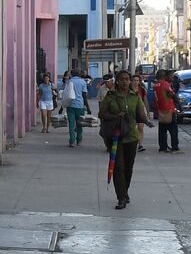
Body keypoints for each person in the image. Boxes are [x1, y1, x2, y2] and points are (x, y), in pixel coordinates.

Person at [99, 69, 151, 210]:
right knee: (118, 167)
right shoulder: (111, 96)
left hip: (131, 137)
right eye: (122, 79)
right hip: (115, 137)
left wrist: (147, 121)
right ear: (117, 81)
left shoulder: (135, 96)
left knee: (128, 167)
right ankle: (121, 197)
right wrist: (116, 116)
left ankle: (125, 191)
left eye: (127, 79)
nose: (125, 82)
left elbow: (140, 114)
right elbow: (102, 114)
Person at [153, 70, 181, 153]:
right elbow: (172, 94)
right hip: (169, 109)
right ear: (164, 76)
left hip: (161, 110)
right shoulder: (165, 84)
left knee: (162, 130)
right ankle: (175, 147)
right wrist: (178, 105)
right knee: (173, 130)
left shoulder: (155, 85)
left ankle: (162, 147)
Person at [64, 70, 90, 148]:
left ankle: (72, 141)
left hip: (70, 105)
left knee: (71, 124)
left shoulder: (69, 82)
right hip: (80, 105)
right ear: (79, 74)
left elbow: (65, 94)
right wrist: (88, 107)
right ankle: (79, 140)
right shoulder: (83, 82)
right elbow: (84, 95)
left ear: (72, 74)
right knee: (80, 124)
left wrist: (62, 107)